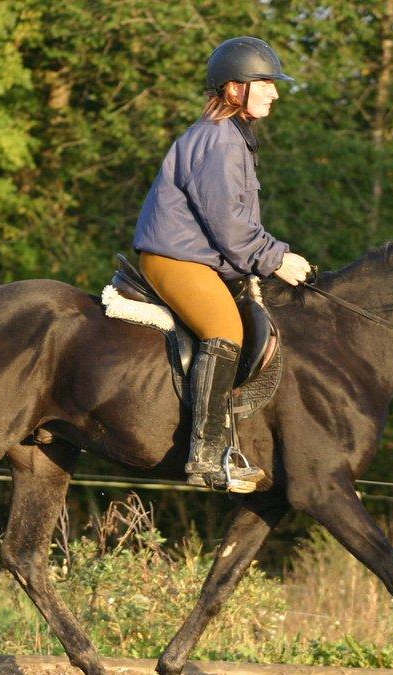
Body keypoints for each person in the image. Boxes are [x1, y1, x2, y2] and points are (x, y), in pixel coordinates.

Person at [133, 36, 311, 493]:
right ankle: (206, 458)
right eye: (266, 83)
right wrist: (275, 258)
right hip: (176, 259)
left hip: (201, 259)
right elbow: (230, 227)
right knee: (226, 332)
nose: (275, 92)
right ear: (235, 90)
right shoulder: (220, 142)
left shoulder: (231, 137)